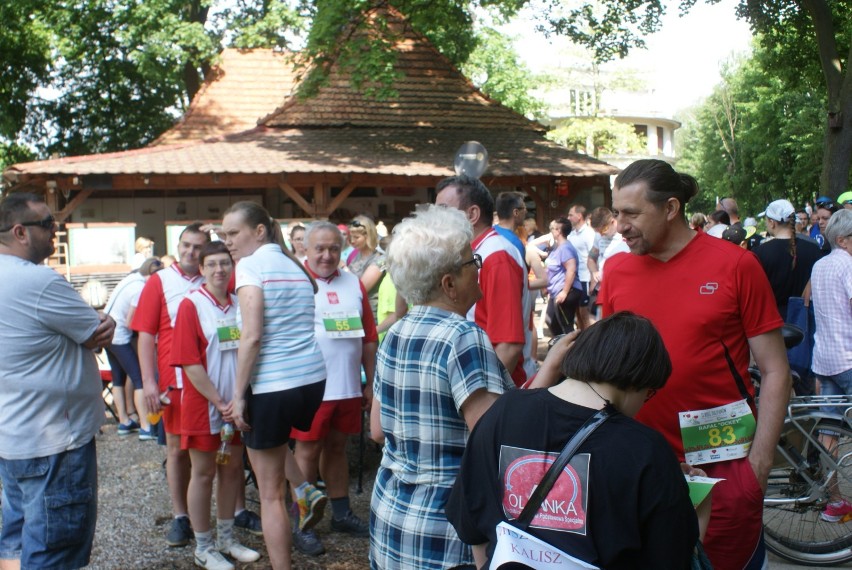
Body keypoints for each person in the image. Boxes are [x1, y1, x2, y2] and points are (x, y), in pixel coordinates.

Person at [599, 159, 791, 570]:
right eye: (617, 213)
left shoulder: (736, 265)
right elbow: (605, 375)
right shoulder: (616, 270)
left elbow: (776, 371)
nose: (620, 225)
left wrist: (758, 465)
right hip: (641, 466)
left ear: (671, 208)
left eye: (631, 214)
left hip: (722, 466)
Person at [446, 312, 699, 569]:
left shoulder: (504, 411)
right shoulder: (646, 450)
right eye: (649, 393)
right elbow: (672, 556)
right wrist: (699, 507)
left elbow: (471, 525)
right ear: (637, 382)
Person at [368, 204, 517, 569]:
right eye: (472, 262)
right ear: (449, 284)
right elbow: (495, 442)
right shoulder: (463, 337)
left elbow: (376, 431)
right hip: (446, 527)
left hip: (392, 515)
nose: (478, 269)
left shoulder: (396, 332)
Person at [0, 192, 116, 569]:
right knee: (55, 554)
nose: (56, 230)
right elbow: (94, 331)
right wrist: (96, 321)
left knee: (15, 543)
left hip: (13, 436)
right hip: (56, 442)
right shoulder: (39, 281)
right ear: (20, 232)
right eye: (48, 224)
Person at [220, 201, 327, 570]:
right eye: (224, 235)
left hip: (273, 385)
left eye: (234, 233)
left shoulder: (249, 266)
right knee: (273, 441)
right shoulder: (294, 265)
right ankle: (304, 488)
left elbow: (251, 337)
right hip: (311, 380)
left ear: (260, 231)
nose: (228, 242)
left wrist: (237, 396)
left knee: (268, 496)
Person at [170, 241, 260, 570]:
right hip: (205, 404)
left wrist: (236, 401)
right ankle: (203, 546)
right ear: (202, 267)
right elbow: (190, 363)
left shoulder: (240, 303)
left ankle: (227, 538)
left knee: (232, 469)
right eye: (212, 264)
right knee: (204, 473)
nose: (219, 270)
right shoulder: (191, 305)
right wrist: (220, 401)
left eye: (225, 263)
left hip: (235, 404)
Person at [291, 222, 379, 555]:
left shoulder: (353, 282)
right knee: (307, 453)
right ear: (306, 249)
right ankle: (303, 523)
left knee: (338, 449)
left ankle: (341, 513)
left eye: (333, 249)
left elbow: (369, 338)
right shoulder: (295, 280)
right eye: (320, 249)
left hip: (347, 386)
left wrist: (370, 382)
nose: (326, 255)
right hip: (310, 387)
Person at [132, 221, 210, 546]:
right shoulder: (160, 281)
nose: (191, 252)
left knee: (216, 452)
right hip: (175, 382)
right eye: (186, 245)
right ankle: (181, 516)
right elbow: (145, 334)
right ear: (178, 246)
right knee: (177, 451)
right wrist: (149, 382)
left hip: (211, 383)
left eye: (198, 246)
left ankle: (223, 514)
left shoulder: (216, 276)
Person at [435, 175, 531, 387]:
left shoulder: (496, 256)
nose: (435, 220)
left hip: (493, 392)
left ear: (472, 214)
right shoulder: (480, 252)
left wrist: (482, 401)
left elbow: (508, 346)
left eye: (443, 210)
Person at [810, 209, 852, 522]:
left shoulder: (819, 265)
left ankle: (835, 502)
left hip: (824, 359)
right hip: (849, 357)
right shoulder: (848, 264)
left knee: (828, 432)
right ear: (842, 239)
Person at [104, 256, 163, 439]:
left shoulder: (131, 278)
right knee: (139, 379)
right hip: (120, 336)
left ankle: (124, 421)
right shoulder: (141, 289)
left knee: (118, 379)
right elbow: (131, 322)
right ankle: (146, 427)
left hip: (107, 332)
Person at [754, 199, 824, 319]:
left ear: (772, 222)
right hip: (807, 317)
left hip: (773, 319)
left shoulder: (760, 252)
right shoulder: (813, 248)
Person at [545, 217, 583, 336]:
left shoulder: (566, 248)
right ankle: (561, 348)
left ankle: (570, 351)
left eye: (552, 228)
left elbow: (571, 270)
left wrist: (565, 292)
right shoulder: (558, 247)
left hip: (566, 292)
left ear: (558, 231)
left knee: (565, 326)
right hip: (556, 292)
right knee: (551, 320)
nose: (550, 231)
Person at [346, 215, 385, 321]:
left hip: (371, 316)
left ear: (368, 236)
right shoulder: (355, 255)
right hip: (353, 312)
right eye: (350, 237)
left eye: (356, 237)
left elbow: (361, 289)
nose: (352, 241)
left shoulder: (381, 259)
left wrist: (343, 267)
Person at [566, 204, 595, 329]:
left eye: (571, 215)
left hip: (585, 278)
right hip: (575, 279)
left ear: (579, 216)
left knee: (584, 313)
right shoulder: (572, 234)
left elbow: (594, 257)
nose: (568, 217)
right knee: (577, 313)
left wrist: (593, 278)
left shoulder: (589, 233)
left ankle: (591, 342)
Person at [493, 191, 527, 260]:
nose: (526, 211)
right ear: (516, 212)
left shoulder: (488, 234)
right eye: (524, 208)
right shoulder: (515, 243)